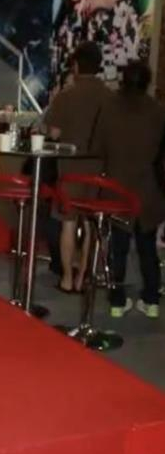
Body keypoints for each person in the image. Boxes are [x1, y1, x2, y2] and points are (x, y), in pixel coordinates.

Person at [92, 61, 165, 318]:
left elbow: (97, 148)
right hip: (148, 189)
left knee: (118, 248)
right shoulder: (157, 111)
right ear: (147, 81)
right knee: (148, 248)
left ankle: (117, 302)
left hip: (116, 188)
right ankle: (151, 301)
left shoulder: (109, 107)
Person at [44, 41, 108, 292]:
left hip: (70, 168)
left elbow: (54, 133)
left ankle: (67, 279)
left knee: (68, 223)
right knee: (92, 223)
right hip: (99, 169)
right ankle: (84, 277)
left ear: (76, 66)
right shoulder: (110, 96)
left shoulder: (67, 95)